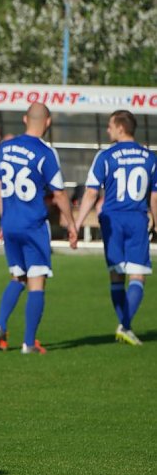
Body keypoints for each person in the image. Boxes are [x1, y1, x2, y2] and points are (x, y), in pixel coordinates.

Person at [0, 102, 78, 354]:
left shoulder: (5, 147)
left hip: (11, 222)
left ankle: (0, 325)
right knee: (36, 282)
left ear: (25, 119)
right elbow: (59, 195)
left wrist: (5, 220)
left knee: (17, 276)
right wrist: (71, 225)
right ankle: (29, 343)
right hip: (33, 224)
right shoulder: (46, 152)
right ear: (48, 122)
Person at [73, 110, 157, 345]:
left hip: (111, 221)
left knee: (116, 274)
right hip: (137, 219)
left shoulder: (105, 156)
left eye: (110, 126)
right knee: (138, 275)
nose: (108, 130)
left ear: (121, 128)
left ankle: (124, 325)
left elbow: (91, 192)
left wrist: (77, 225)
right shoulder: (150, 158)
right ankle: (125, 326)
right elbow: (155, 197)